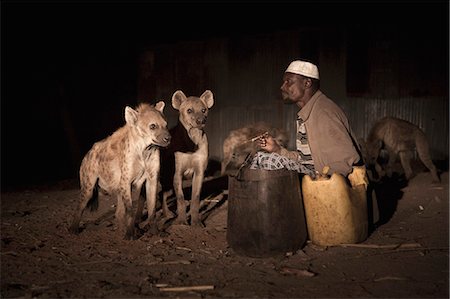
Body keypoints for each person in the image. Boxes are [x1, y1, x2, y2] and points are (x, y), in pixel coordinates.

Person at [257, 59, 363, 177]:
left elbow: (347, 158)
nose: (282, 87)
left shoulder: (323, 113)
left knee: (263, 159)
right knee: (261, 157)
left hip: (324, 182)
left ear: (307, 83)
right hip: (314, 176)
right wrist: (277, 150)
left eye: (289, 82)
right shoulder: (309, 113)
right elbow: (306, 160)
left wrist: (324, 185)